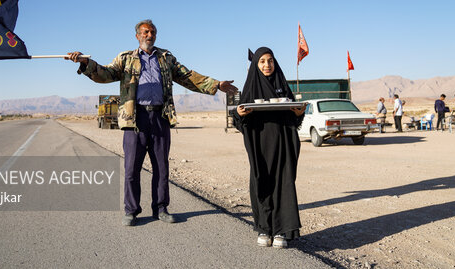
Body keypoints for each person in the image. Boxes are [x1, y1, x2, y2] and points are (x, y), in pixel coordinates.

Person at [67, 19, 238, 226]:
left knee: (161, 167)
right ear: (138, 36)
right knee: (131, 168)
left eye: (153, 32)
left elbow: (188, 77)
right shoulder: (126, 59)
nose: (150, 35)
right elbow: (105, 74)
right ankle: (131, 211)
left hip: (160, 117)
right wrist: (86, 63)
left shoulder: (166, 58)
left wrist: (216, 84)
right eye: (146, 32)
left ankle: (161, 209)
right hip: (134, 118)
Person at [232, 47, 306, 249]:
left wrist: (299, 113)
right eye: (262, 61)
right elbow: (239, 121)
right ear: (256, 64)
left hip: (283, 143)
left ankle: (282, 230)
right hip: (260, 145)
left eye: (270, 60)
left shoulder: (282, 85)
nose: (267, 65)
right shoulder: (250, 88)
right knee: (261, 182)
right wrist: (239, 114)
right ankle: (265, 228)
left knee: (284, 184)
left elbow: (294, 116)